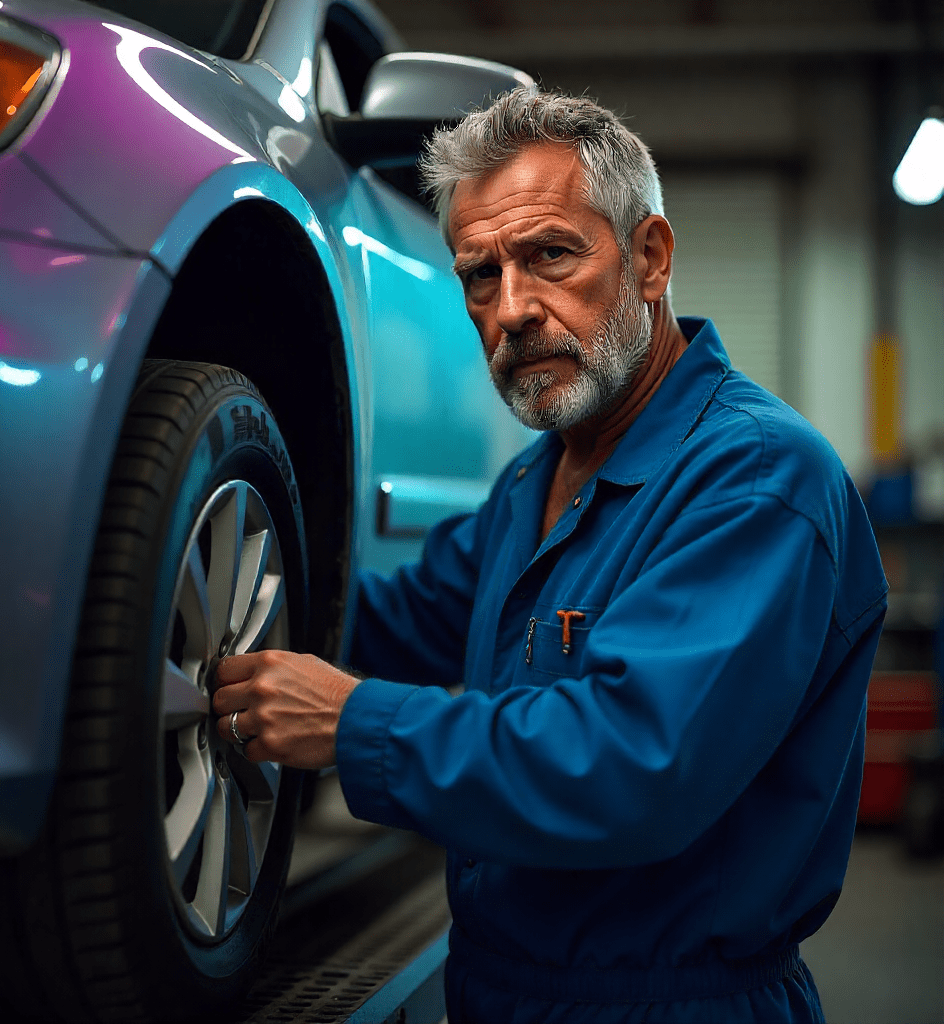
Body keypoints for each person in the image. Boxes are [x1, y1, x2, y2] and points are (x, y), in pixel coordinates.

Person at [212, 88, 887, 1022]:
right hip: (496, 989)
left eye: (551, 256)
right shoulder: (536, 483)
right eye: (479, 277)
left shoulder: (758, 480)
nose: (514, 310)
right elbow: (386, 622)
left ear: (649, 259)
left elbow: (631, 765)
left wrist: (354, 723)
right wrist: (183, 592)